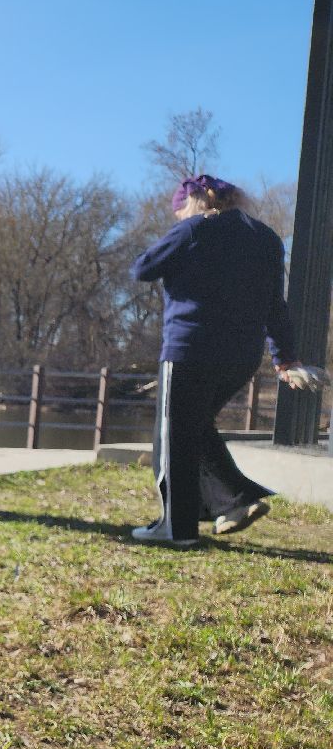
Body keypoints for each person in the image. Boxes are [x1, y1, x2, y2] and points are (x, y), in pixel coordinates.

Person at [129, 174, 321, 547]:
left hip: (190, 349)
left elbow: (142, 268)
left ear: (192, 202)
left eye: (179, 211)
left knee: (173, 437)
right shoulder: (266, 238)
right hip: (241, 356)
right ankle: (233, 501)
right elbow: (275, 305)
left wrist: (184, 231)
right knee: (194, 428)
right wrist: (285, 358)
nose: (178, 218)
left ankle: (178, 529)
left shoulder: (192, 230)